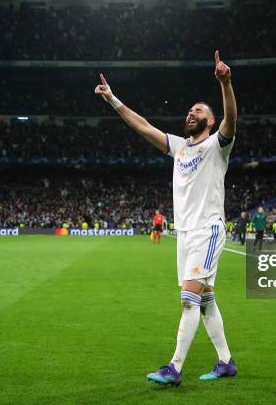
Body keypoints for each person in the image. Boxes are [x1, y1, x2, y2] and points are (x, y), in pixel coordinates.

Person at [95, 50, 237, 385]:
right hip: (185, 235)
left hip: (208, 230)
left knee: (188, 299)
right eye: (190, 110)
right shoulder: (179, 147)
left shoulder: (218, 145)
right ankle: (226, 361)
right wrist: (113, 99)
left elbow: (231, 119)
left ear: (210, 121)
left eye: (199, 111)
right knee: (204, 302)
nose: (192, 113)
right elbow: (143, 126)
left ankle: (174, 368)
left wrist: (225, 83)